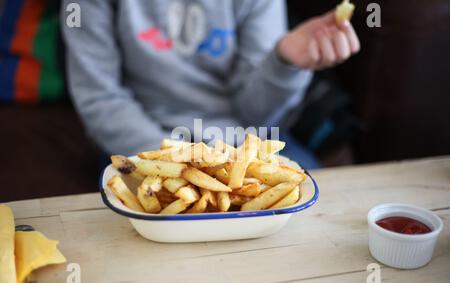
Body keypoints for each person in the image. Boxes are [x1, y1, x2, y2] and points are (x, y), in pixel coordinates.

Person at [61, 0, 359, 169]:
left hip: (243, 143)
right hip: (144, 145)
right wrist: (178, 159)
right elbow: (101, 98)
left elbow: (256, 114)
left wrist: (284, 62)